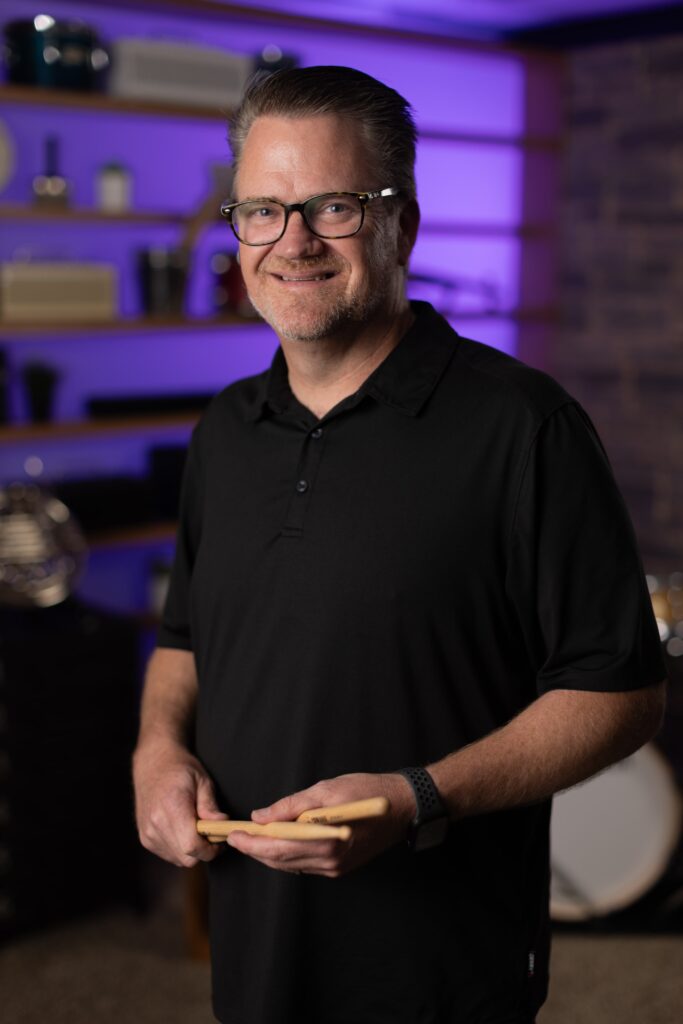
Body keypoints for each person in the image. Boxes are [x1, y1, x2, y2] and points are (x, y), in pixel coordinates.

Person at [132, 66, 666, 1024]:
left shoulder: (524, 428)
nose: (290, 242)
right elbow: (185, 636)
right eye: (260, 209)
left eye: (330, 206)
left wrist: (417, 797)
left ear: (400, 225)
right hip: (256, 950)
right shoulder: (223, 430)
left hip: (441, 966)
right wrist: (155, 750)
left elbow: (619, 693)